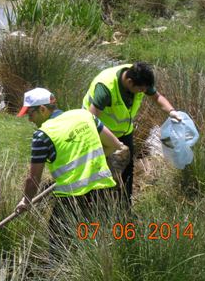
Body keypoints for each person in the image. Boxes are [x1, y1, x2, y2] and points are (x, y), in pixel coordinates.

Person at [15, 87, 130, 252]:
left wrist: (25, 201)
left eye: (30, 114)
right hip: (104, 192)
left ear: (42, 109)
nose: (29, 120)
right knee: (100, 243)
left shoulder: (42, 135)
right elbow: (114, 145)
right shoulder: (84, 115)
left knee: (59, 247)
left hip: (72, 200)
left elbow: (33, 179)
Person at [82, 62, 182, 207]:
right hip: (99, 132)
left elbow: (157, 97)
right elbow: (91, 120)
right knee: (99, 169)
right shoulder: (105, 87)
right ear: (129, 82)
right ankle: (92, 207)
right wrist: (112, 143)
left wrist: (172, 112)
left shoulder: (139, 77)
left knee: (127, 167)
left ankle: (125, 208)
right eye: (141, 90)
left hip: (124, 131)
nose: (143, 92)